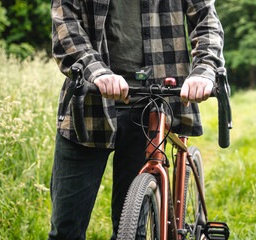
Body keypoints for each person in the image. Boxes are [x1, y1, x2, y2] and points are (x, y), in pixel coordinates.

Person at [49, 0, 225, 239]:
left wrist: (204, 69)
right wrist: (97, 71)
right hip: (88, 106)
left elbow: (207, 22)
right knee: (65, 229)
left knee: (132, 231)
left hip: (152, 107)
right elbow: (65, 27)